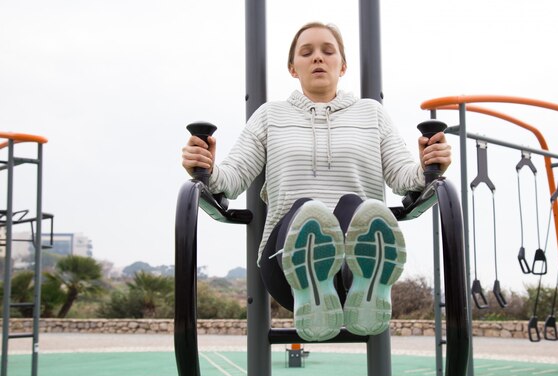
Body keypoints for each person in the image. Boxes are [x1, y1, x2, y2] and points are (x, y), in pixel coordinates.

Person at [182, 22, 451, 342]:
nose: (318, 59)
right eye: (307, 53)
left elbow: (403, 177)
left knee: (358, 206)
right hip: (284, 268)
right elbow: (232, 178)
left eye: (328, 51)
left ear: (343, 65)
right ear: (293, 68)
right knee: (307, 210)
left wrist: (429, 166)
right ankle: (311, 283)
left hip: (350, 270)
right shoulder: (271, 116)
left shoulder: (371, 114)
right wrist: (205, 168)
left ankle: (364, 284)